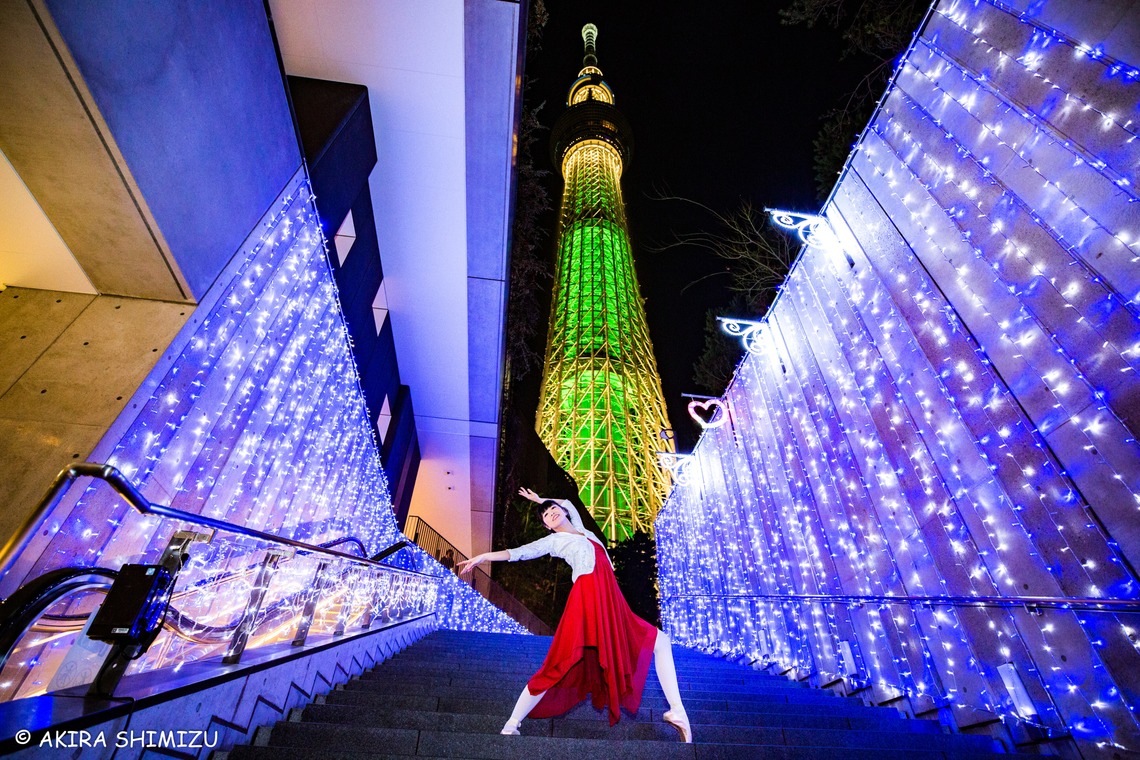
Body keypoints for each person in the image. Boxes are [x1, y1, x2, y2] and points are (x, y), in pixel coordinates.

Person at [457, 487, 691, 742]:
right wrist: (483, 556)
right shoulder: (553, 541)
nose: (551, 513)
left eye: (552, 509)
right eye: (545, 515)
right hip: (587, 599)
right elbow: (518, 553)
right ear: (546, 526)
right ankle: (512, 722)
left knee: (661, 642)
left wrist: (542, 498)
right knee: (559, 662)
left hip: (612, 601)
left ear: (563, 511)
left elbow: (567, 501)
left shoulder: (583, 529)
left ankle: (677, 711)